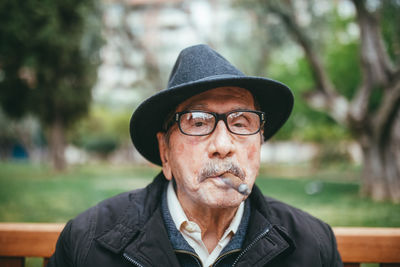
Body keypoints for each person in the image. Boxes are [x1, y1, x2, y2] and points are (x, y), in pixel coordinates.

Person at [48, 44, 343, 267]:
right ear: (165, 153)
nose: (223, 145)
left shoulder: (313, 245)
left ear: (260, 140)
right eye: (198, 122)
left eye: (241, 122)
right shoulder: (88, 242)